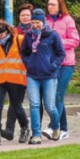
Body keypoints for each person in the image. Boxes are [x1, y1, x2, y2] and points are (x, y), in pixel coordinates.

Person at [20, 8, 65, 144]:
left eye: (38, 22)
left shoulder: (53, 35)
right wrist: (28, 63)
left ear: (43, 21)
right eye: (33, 22)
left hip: (49, 75)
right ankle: (36, 134)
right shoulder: (28, 36)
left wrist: (53, 65)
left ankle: (56, 127)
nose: (35, 25)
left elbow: (61, 53)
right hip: (33, 74)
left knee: (50, 106)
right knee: (34, 104)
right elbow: (24, 52)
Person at [0, 19, 30, 145]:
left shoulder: (19, 39)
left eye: (1, 35)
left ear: (7, 31)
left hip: (16, 78)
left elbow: (28, 56)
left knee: (16, 106)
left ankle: (24, 127)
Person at [44, 0, 80, 140]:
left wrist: (57, 43)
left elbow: (75, 40)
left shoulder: (67, 20)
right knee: (57, 97)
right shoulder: (45, 21)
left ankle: (53, 126)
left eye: (53, 4)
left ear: (60, 6)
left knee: (58, 95)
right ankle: (64, 128)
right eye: (48, 4)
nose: (50, 7)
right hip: (50, 64)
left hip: (66, 63)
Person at [2, 3, 33, 140]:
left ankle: (32, 129)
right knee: (15, 101)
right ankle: (11, 129)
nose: (25, 18)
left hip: (33, 71)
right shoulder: (14, 32)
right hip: (18, 72)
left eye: (28, 15)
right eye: (23, 15)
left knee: (36, 102)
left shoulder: (36, 30)